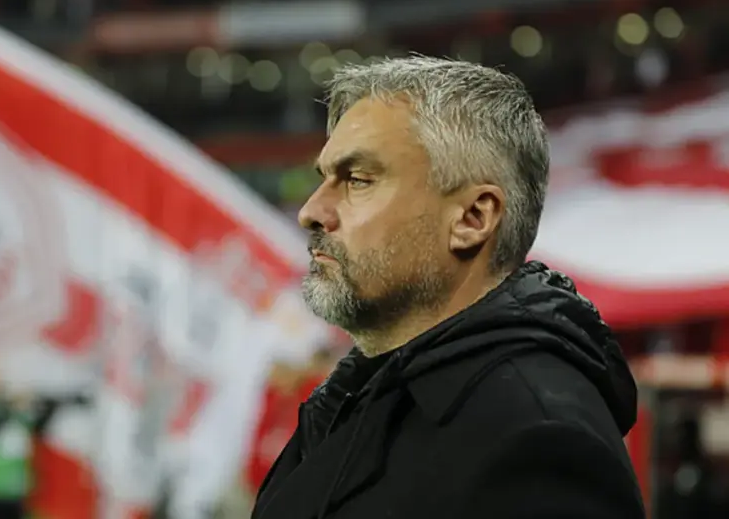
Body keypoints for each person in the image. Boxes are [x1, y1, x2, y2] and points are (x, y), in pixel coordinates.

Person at [251, 56, 645, 519]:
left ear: (472, 218)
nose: (311, 211)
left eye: (357, 180)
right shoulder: (355, 399)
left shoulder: (538, 441)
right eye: (324, 179)